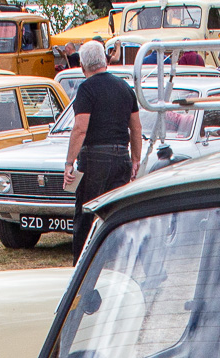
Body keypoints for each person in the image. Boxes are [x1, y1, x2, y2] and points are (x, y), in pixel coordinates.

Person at [64, 39, 141, 259]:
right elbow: (135, 127)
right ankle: (118, 260)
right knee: (116, 213)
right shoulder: (125, 88)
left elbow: (80, 129)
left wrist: (69, 163)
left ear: (82, 65)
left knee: (87, 214)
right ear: (105, 61)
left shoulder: (86, 89)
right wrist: (135, 158)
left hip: (94, 158)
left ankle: (82, 265)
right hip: (121, 157)